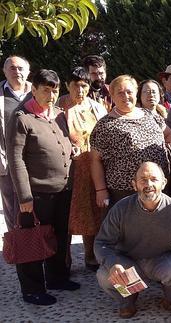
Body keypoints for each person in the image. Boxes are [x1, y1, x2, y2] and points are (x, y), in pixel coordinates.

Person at [7, 69, 80, 305]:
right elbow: (16, 159)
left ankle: (57, 277)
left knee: (59, 237)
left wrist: (72, 150)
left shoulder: (59, 114)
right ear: (34, 90)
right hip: (37, 193)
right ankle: (32, 289)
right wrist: (25, 196)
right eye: (46, 90)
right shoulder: (21, 118)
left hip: (63, 190)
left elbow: (64, 142)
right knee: (32, 240)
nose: (51, 95)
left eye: (55, 90)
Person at [94, 162, 171, 320]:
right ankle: (128, 300)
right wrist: (112, 263)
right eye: (143, 180)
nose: (148, 184)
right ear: (134, 184)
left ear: (164, 183)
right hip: (127, 262)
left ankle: (170, 298)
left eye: (153, 179)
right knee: (104, 275)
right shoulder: (120, 208)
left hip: (161, 261)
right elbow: (101, 243)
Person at [90, 75, 171, 208]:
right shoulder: (104, 125)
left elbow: (169, 135)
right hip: (124, 191)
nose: (125, 96)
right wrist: (100, 190)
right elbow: (95, 160)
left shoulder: (149, 115)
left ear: (136, 93)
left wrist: (167, 152)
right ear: (112, 95)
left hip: (156, 187)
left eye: (129, 92)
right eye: (120, 92)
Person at [57, 67, 107, 271]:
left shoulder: (97, 107)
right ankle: (64, 258)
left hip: (93, 170)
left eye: (84, 85)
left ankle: (90, 256)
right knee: (66, 213)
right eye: (75, 85)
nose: (80, 90)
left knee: (93, 212)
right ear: (68, 85)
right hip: (68, 171)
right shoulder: (59, 106)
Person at [1, 56, 31, 230]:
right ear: (4, 71)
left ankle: (36, 248)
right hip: (7, 160)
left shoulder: (37, 92)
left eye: (20, 68)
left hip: (35, 160)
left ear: (28, 72)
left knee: (36, 204)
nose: (17, 72)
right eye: (12, 68)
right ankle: (16, 249)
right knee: (11, 207)